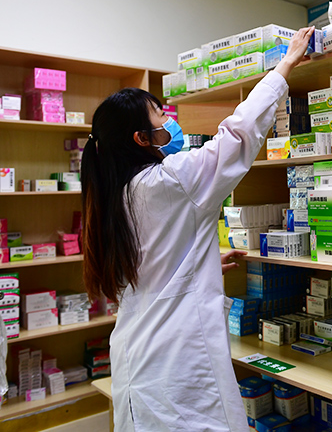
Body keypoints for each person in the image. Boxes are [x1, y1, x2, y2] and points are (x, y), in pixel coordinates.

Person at [81, 26, 316, 431]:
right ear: (141, 138)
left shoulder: (114, 194)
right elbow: (237, 136)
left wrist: (199, 266)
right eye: (161, 117)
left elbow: (149, 262)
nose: (170, 122)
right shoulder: (170, 180)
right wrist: (285, 65)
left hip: (137, 358)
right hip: (177, 368)